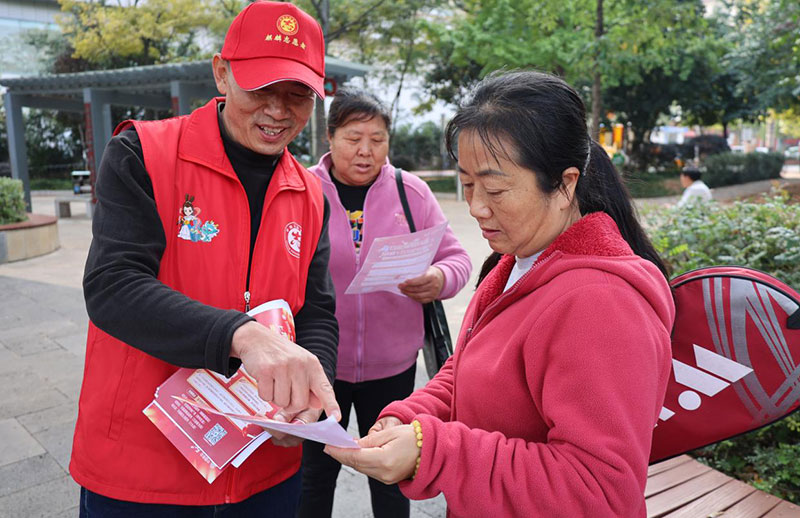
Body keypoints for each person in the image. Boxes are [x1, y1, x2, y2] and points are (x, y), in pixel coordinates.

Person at [326, 71, 676, 517]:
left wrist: (433, 450)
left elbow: (599, 493)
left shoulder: (602, 303)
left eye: (494, 189)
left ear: (566, 183)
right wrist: (412, 416)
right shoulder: (519, 259)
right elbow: (472, 368)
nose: (475, 208)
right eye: (467, 184)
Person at [70, 2, 341, 516]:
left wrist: (310, 389)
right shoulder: (143, 153)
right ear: (222, 72)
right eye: (262, 88)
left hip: (264, 467)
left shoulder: (311, 192)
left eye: (298, 95)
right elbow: (112, 285)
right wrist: (243, 336)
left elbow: (316, 310)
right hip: (143, 470)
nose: (278, 111)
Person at [298, 89, 472, 518]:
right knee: (313, 477)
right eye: (354, 137)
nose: (365, 150)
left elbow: (458, 259)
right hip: (318, 366)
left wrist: (437, 279)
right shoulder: (300, 189)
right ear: (330, 137)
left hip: (393, 368)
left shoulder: (410, 192)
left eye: (377, 139)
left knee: (390, 477)